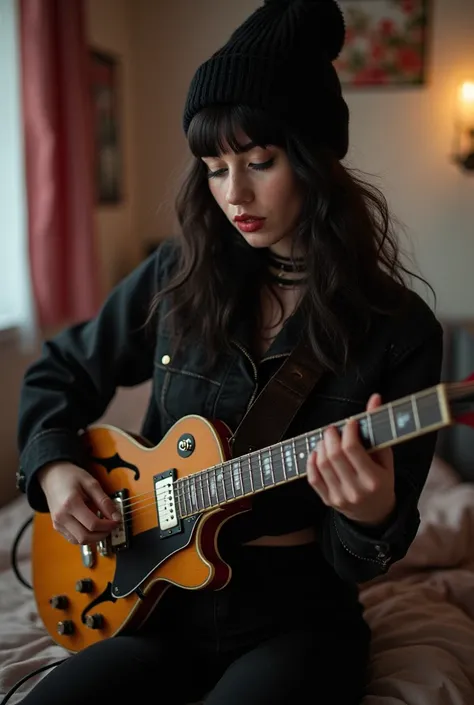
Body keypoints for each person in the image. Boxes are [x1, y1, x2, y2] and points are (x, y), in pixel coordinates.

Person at [16, 1, 443, 703]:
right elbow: (60, 369)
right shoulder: (177, 275)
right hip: (151, 604)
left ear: (314, 158)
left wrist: (371, 514)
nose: (233, 193)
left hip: (295, 620)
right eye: (213, 167)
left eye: (259, 161)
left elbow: (356, 562)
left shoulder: (400, 329)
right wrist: (57, 469)